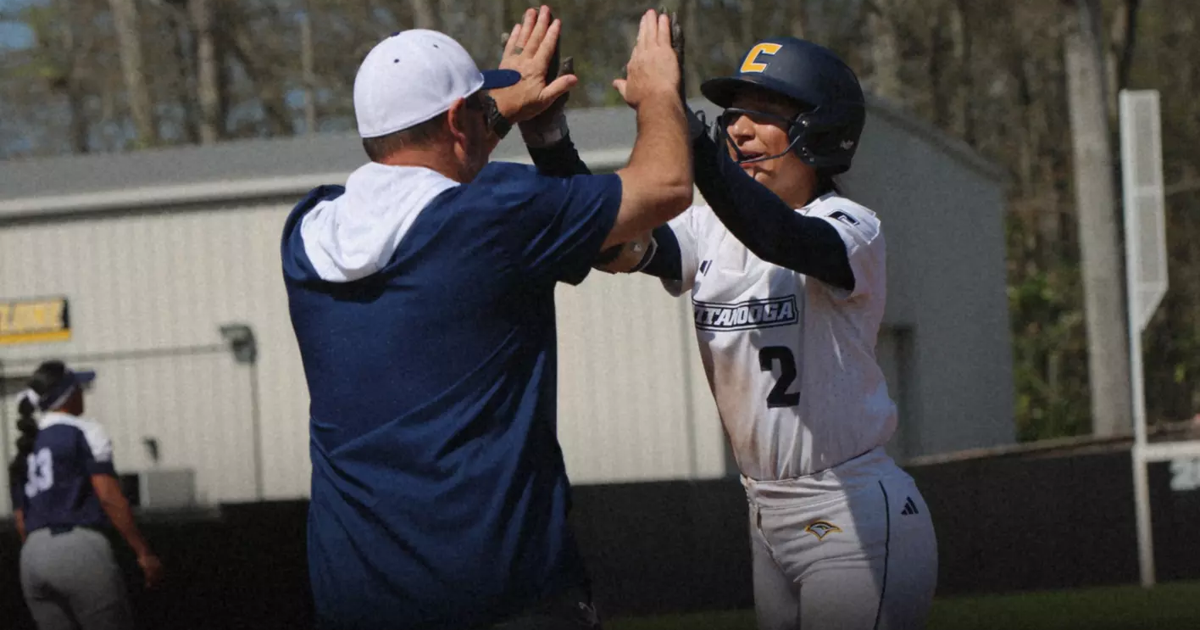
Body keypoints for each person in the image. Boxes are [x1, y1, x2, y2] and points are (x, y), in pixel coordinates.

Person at [280, 7, 691, 630]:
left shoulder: (307, 232)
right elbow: (666, 185)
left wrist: (488, 115)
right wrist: (658, 90)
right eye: (477, 109)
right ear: (455, 119)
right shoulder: (495, 212)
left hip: (356, 602)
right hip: (504, 598)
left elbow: (421, 172)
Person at [623, 37, 937, 629]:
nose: (739, 128)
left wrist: (686, 127)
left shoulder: (852, 226)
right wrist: (549, 140)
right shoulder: (709, 229)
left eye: (765, 112)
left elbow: (780, 238)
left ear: (820, 131)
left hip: (852, 512)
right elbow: (613, 239)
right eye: (733, 113)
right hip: (766, 515)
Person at [8, 360, 164, 630]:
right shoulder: (83, 430)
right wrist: (142, 551)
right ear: (68, 394)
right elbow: (108, 496)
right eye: (77, 388)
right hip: (79, 549)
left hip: (32, 557)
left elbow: (21, 521)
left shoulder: (26, 445)